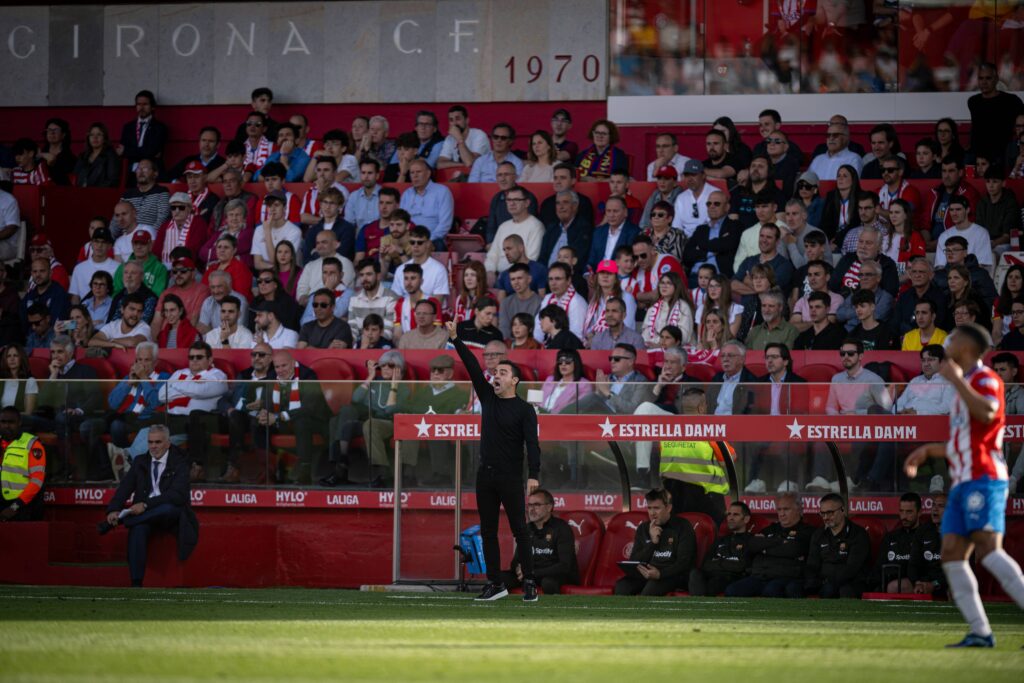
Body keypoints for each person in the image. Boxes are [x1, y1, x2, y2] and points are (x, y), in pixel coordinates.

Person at [904, 324, 1024, 646]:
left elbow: (988, 413)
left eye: (952, 338)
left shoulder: (985, 379)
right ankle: (980, 632)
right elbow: (966, 439)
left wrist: (955, 379)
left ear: (967, 348)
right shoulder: (966, 384)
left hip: (984, 477)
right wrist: (929, 449)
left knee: (987, 549)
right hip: (963, 479)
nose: (948, 342)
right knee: (952, 554)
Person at [446, 320, 541, 602]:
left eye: (502, 372)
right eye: (495, 371)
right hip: (484, 476)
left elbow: (533, 445)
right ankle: (495, 583)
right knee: (488, 530)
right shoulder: (487, 397)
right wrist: (455, 339)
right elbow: (473, 367)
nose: (495, 375)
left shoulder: (525, 410)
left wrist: (533, 475)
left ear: (514, 381)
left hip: (511, 477)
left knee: (520, 530)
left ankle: (531, 583)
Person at [98, 424, 198, 587]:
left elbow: (177, 496)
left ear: (168, 443)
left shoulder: (181, 461)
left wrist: (145, 504)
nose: (153, 446)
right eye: (150, 442)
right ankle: (136, 584)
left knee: (167, 508)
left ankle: (126, 520)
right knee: (138, 528)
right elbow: (124, 488)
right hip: (144, 515)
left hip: (171, 515)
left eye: (158, 442)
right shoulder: (140, 461)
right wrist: (114, 509)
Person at [657, 388, 731, 525]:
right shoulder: (709, 429)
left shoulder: (669, 430)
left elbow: (663, 453)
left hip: (674, 498)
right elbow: (730, 459)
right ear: (702, 407)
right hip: (707, 498)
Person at [726, 492, 813, 598]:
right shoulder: (772, 528)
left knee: (771, 590)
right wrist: (779, 542)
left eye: (786, 509)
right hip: (760, 576)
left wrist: (765, 547)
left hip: (785, 576)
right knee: (732, 590)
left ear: (799, 509)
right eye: (779, 510)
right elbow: (752, 544)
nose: (781, 514)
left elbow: (793, 550)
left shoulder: (806, 531)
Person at [614, 488, 696, 596]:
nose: (652, 513)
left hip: (671, 575)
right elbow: (634, 561)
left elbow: (684, 563)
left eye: (656, 508)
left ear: (668, 508)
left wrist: (660, 574)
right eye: (649, 508)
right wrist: (653, 542)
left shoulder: (683, 526)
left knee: (651, 589)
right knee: (622, 586)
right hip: (645, 574)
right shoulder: (643, 528)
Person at [502, 489, 579, 596]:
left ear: (549, 507)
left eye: (537, 505)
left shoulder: (561, 528)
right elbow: (515, 561)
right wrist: (519, 569)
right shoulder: (526, 530)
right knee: (499, 579)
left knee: (548, 583)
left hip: (555, 576)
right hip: (531, 575)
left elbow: (565, 566)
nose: (532, 509)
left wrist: (532, 573)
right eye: (529, 505)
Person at [804, 493, 871, 599]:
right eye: (822, 513)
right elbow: (812, 565)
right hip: (823, 583)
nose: (825, 517)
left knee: (837, 590)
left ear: (843, 510)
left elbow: (852, 568)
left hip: (851, 583)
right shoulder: (818, 534)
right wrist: (813, 583)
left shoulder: (858, 534)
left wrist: (828, 582)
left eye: (830, 513)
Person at [689, 501, 753, 596]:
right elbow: (706, 564)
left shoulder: (751, 540)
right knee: (695, 573)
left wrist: (719, 562)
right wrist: (727, 563)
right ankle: (699, 603)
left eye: (735, 515)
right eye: (729, 514)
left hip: (732, 578)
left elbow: (742, 566)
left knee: (715, 581)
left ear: (746, 519)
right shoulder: (721, 540)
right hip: (713, 574)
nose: (730, 518)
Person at [967, 62, 1024, 165]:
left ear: (996, 79)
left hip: (1004, 156)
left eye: (988, 78)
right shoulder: (973, 102)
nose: (984, 82)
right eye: (981, 78)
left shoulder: (1012, 101)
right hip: (979, 158)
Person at [0, 407, 46, 522]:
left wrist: (14, 507)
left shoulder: (32, 445)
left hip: (23, 506)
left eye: (11, 422)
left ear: (19, 423)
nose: (6, 426)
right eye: (3, 422)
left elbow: (37, 481)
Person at [873, 492, 923, 594]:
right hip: (888, 584)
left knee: (894, 587)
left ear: (919, 512)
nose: (904, 516)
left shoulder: (926, 536)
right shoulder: (890, 537)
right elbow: (879, 567)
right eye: (901, 511)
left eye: (909, 512)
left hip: (916, 584)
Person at [910, 493, 948, 598]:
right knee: (895, 587)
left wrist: (935, 584)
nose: (935, 509)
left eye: (940, 506)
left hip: (948, 582)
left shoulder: (958, 534)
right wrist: (917, 582)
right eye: (933, 505)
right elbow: (913, 563)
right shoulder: (922, 531)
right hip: (925, 581)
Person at [672, 160, 716, 238]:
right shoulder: (681, 198)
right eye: (687, 175)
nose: (690, 179)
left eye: (693, 174)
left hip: (708, 239)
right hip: (685, 242)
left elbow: (716, 225)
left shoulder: (715, 194)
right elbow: (677, 227)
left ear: (703, 175)